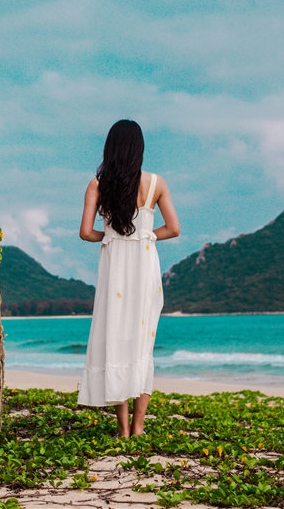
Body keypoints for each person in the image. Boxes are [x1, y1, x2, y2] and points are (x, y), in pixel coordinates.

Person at [77, 119, 180, 437]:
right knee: (141, 346)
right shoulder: (155, 183)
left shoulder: (97, 185)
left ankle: (122, 429)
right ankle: (138, 427)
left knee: (116, 343)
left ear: (110, 147)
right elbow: (174, 228)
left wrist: (112, 237)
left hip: (115, 272)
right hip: (144, 269)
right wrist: (145, 237)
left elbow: (85, 233)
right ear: (139, 149)